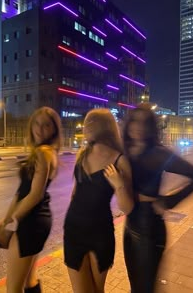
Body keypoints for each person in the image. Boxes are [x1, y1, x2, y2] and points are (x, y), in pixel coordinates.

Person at [122, 103, 193, 293]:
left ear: (151, 128)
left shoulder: (158, 153)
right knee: (136, 287)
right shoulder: (126, 151)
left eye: (144, 123)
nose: (138, 127)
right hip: (129, 226)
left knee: (146, 289)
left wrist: (168, 202)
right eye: (135, 122)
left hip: (149, 228)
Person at [63, 108, 133, 293]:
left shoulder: (119, 160)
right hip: (74, 231)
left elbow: (128, 208)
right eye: (86, 122)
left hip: (100, 233)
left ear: (105, 127)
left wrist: (119, 185)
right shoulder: (83, 155)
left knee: (96, 290)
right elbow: (75, 193)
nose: (86, 126)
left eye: (91, 122)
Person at [0, 107, 62, 293]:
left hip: (31, 221)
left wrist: (9, 224)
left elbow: (34, 195)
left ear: (54, 129)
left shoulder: (43, 152)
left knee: (13, 287)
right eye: (37, 124)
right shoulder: (48, 152)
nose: (40, 129)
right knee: (29, 281)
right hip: (37, 220)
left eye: (47, 125)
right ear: (31, 126)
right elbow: (21, 192)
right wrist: (6, 219)